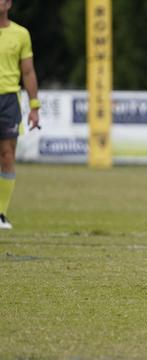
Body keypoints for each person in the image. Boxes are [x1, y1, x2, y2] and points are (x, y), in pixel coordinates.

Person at [0, 0, 40, 230]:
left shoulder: (21, 34)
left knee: (7, 156)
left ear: (9, 4)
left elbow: (27, 71)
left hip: (8, 100)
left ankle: (1, 213)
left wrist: (34, 106)